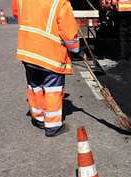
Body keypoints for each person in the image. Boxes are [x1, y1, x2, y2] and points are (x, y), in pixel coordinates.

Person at [12, 0, 87, 137]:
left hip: (28, 51)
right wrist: (78, 51)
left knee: (35, 87)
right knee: (52, 90)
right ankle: (53, 127)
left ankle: (39, 120)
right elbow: (68, 34)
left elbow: (16, 12)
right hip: (50, 55)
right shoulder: (61, 3)